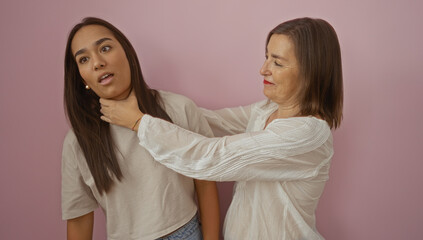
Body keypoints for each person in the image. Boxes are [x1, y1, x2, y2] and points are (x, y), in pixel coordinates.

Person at [100, 17, 343, 239]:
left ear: (310, 73)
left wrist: (139, 122)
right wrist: (150, 103)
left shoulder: (306, 135)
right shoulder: (267, 110)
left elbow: (213, 157)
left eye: (277, 63)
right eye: (266, 56)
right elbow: (210, 119)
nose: (263, 69)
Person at [62, 17, 220, 240]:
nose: (97, 62)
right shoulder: (78, 141)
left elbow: (205, 182)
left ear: (127, 52)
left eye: (105, 48)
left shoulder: (178, 108)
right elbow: (78, 219)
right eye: (84, 59)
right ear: (82, 78)